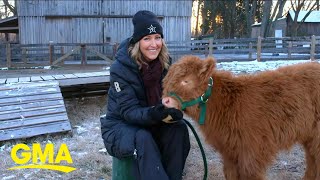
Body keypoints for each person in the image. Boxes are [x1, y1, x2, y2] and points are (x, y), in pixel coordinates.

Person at [100, 10, 190, 180]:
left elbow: (172, 97)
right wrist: (155, 113)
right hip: (120, 125)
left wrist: (175, 108)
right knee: (143, 138)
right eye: (147, 38)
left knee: (179, 129)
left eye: (157, 37)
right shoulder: (120, 69)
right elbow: (128, 111)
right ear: (137, 42)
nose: (153, 44)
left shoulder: (166, 64)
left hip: (151, 122)